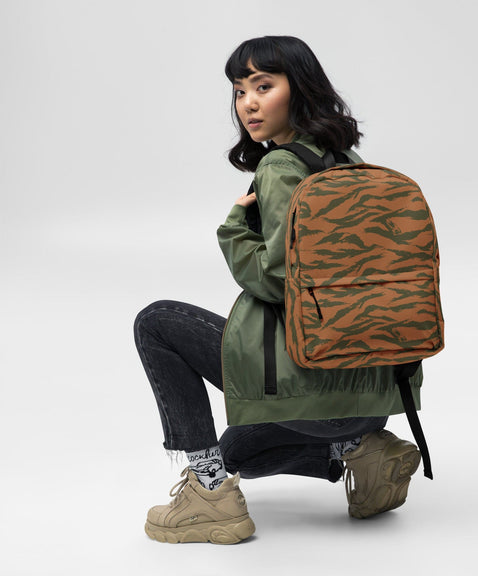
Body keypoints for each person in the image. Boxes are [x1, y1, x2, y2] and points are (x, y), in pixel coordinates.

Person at [134, 36, 423, 545]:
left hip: (315, 390)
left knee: (157, 322)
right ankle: (362, 450)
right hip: (373, 394)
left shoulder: (281, 167)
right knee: (238, 454)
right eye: (239, 90)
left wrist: (233, 228)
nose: (248, 103)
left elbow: (277, 280)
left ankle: (208, 493)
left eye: (263, 86)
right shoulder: (346, 159)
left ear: (300, 88)